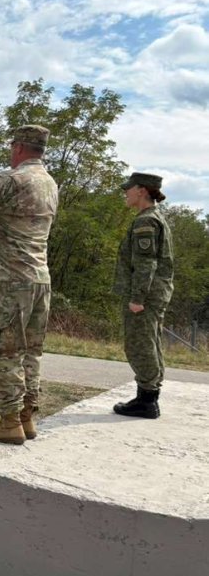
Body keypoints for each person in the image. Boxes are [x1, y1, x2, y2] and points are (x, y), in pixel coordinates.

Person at [0, 124, 58, 445]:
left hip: (8, 279)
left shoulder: (9, 182)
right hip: (40, 278)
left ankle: (8, 422)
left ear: (18, 147)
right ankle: (26, 418)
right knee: (30, 351)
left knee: (2, 350)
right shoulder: (50, 184)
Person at [112, 172, 174, 419]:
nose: (125, 193)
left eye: (129, 188)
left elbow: (146, 264)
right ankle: (147, 396)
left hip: (145, 295)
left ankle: (147, 401)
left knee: (139, 344)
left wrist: (137, 298)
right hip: (156, 293)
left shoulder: (145, 221)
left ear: (142, 190)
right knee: (151, 342)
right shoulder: (155, 218)